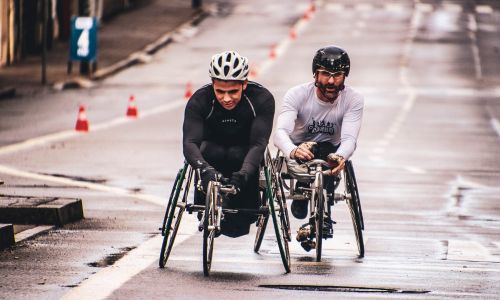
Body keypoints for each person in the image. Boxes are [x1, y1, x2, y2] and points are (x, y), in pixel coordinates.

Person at [274, 45, 364, 250]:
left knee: (326, 150)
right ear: (315, 74)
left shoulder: (353, 99)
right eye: (325, 74)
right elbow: (279, 133)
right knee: (313, 148)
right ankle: (303, 190)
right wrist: (293, 151)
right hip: (298, 149)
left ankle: (323, 216)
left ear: (345, 76)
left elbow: (349, 138)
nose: (331, 81)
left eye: (337, 75)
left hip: (330, 151)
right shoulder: (297, 94)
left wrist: (340, 156)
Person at [183, 51, 275, 238]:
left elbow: (259, 144)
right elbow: (190, 142)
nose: (226, 98)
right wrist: (204, 169)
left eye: (233, 91)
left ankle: (239, 204)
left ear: (244, 84)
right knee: (209, 151)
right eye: (220, 91)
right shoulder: (200, 100)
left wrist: (244, 174)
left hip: (244, 154)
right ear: (212, 85)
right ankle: (208, 204)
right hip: (211, 153)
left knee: (238, 229)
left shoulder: (261, 99)